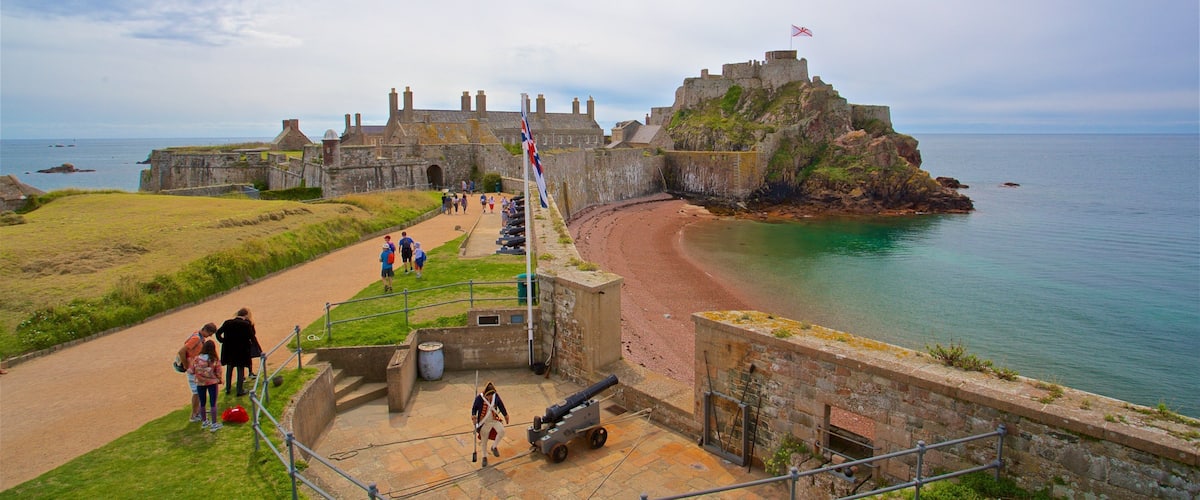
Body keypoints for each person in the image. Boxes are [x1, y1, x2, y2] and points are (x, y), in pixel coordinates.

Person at [178, 323, 218, 422]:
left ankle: (198, 411)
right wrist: (187, 366)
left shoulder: (197, 336)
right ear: (206, 330)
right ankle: (194, 415)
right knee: (197, 392)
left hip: (195, 368)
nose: (209, 336)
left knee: (199, 391)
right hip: (192, 369)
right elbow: (181, 351)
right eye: (210, 334)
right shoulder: (196, 338)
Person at [215, 307, 255, 397]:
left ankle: (228, 389)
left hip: (229, 350)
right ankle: (239, 390)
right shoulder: (246, 324)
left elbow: (218, 333)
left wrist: (223, 340)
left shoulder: (227, 322)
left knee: (229, 369)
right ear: (245, 315)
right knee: (240, 370)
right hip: (241, 351)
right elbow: (252, 337)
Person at [188, 339, 223, 431]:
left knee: (202, 403)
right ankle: (214, 424)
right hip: (212, 383)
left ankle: (204, 422)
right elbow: (218, 371)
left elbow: (191, 370)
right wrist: (219, 379)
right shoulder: (214, 359)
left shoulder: (196, 359)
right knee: (213, 403)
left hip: (200, 383)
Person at [472, 382, 510, 467]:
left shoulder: (495, 396)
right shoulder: (479, 398)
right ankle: (484, 456)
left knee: (502, 431)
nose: (490, 397)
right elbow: (474, 408)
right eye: (489, 395)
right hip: (484, 422)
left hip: (494, 419)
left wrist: (506, 415)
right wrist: (473, 416)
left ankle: (494, 447)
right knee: (484, 441)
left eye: (492, 395)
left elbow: (501, 405)